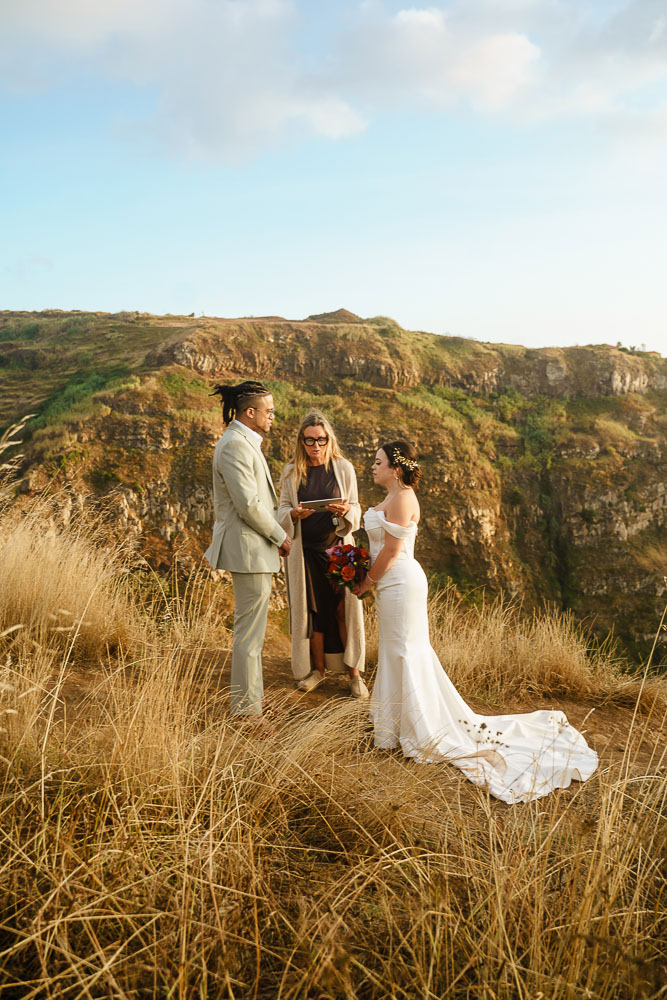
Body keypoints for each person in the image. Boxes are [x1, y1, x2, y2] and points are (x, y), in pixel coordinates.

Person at [353, 441, 598, 803]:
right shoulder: (391, 498)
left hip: (401, 581)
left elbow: (390, 550)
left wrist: (364, 582)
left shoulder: (403, 498)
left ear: (396, 467)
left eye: (378, 462)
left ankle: (417, 728)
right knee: (395, 650)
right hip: (389, 583)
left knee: (405, 651)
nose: (372, 467)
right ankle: (393, 727)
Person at [204, 380, 291, 724]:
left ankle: (252, 699)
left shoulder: (244, 442)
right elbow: (249, 506)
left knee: (252, 632)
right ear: (250, 412)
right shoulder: (235, 446)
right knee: (248, 636)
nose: (273, 416)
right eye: (268, 411)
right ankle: (245, 712)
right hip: (249, 548)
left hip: (253, 548)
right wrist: (281, 536)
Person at [278, 411, 367, 698]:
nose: (316, 446)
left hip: (338, 552)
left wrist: (347, 511)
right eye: (309, 441)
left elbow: (356, 506)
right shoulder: (291, 473)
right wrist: (293, 514)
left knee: (344, 610)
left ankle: (354, 674)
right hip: (306, 554)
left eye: (321, 440)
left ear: (329, 440)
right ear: (301, 442)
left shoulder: (343, 469)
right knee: (313, 613)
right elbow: (280, 510)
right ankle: (318, 671)